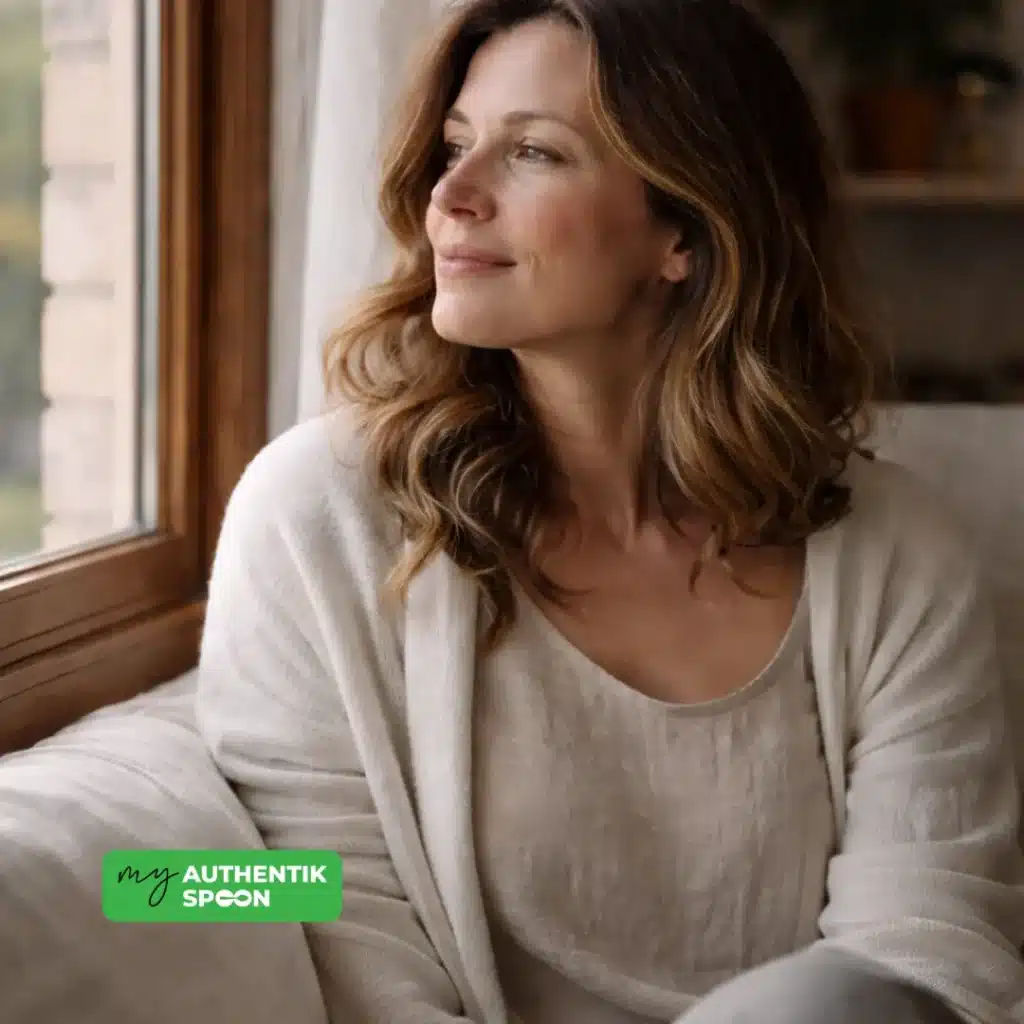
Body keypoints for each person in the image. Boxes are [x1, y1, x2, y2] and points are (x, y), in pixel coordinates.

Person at [195, 1, 1024, 1021]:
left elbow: (928, 948)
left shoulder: (899, 554)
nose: (449, 197)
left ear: (682, 229)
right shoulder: (318, 517)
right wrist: (113, 877)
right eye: (454, 146)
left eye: (534, 152)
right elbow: (331, 916)